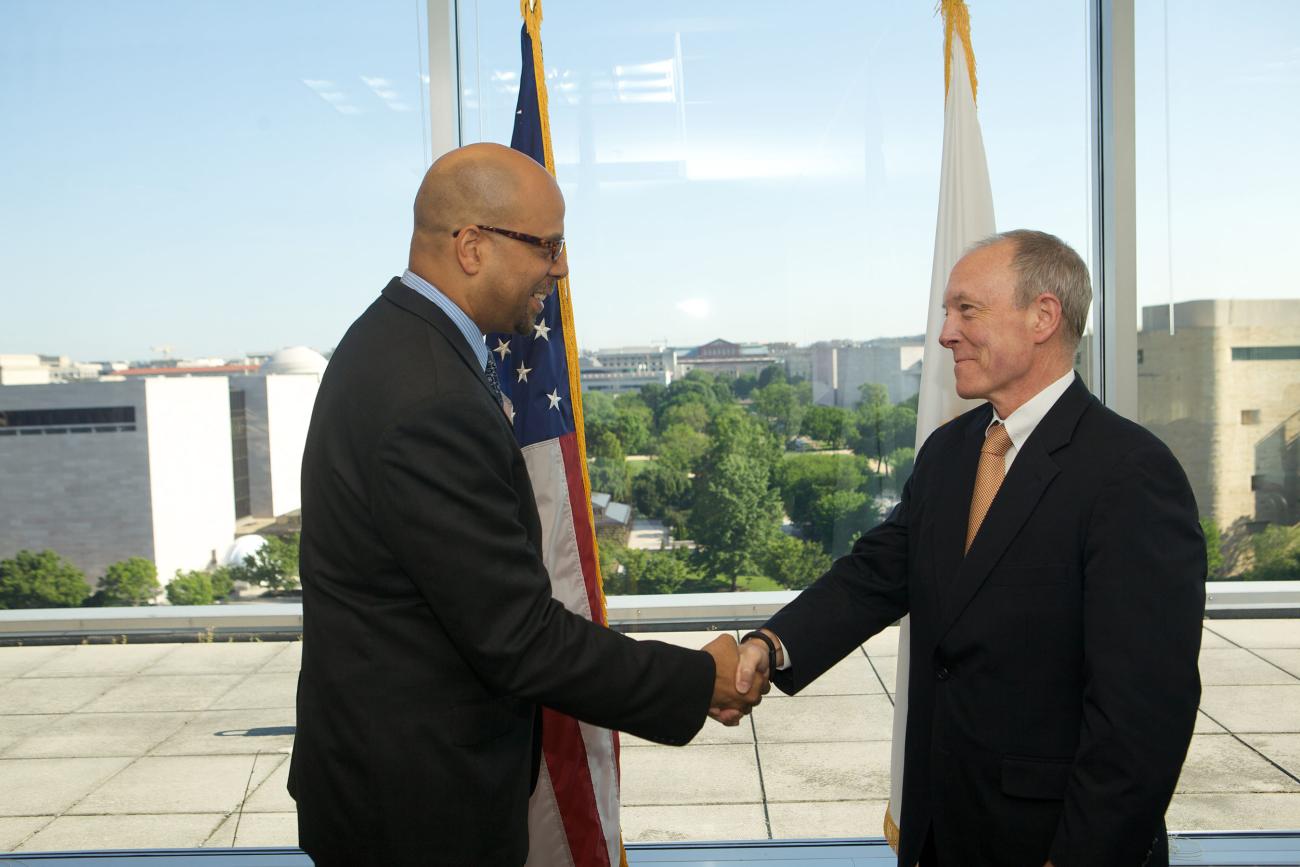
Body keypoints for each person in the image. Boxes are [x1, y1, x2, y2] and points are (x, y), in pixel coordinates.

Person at [287, 142, 765, 866]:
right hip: (418, 816)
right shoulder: (430, 395)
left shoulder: (392, 342)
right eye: (548, 245)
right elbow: (518, 636)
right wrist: (697, 680)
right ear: (472, 246)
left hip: (386, 787)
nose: (561, 267)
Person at [732, 230, 1205, 867]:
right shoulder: (951, 453)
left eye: (967, 310)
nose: (946, 334)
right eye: (946, 314)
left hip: (1053, 844)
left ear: (1043, 316)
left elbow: (1142, 714)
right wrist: (771, 644)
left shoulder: (1131, 474)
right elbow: (876, 573)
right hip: (942, 831)